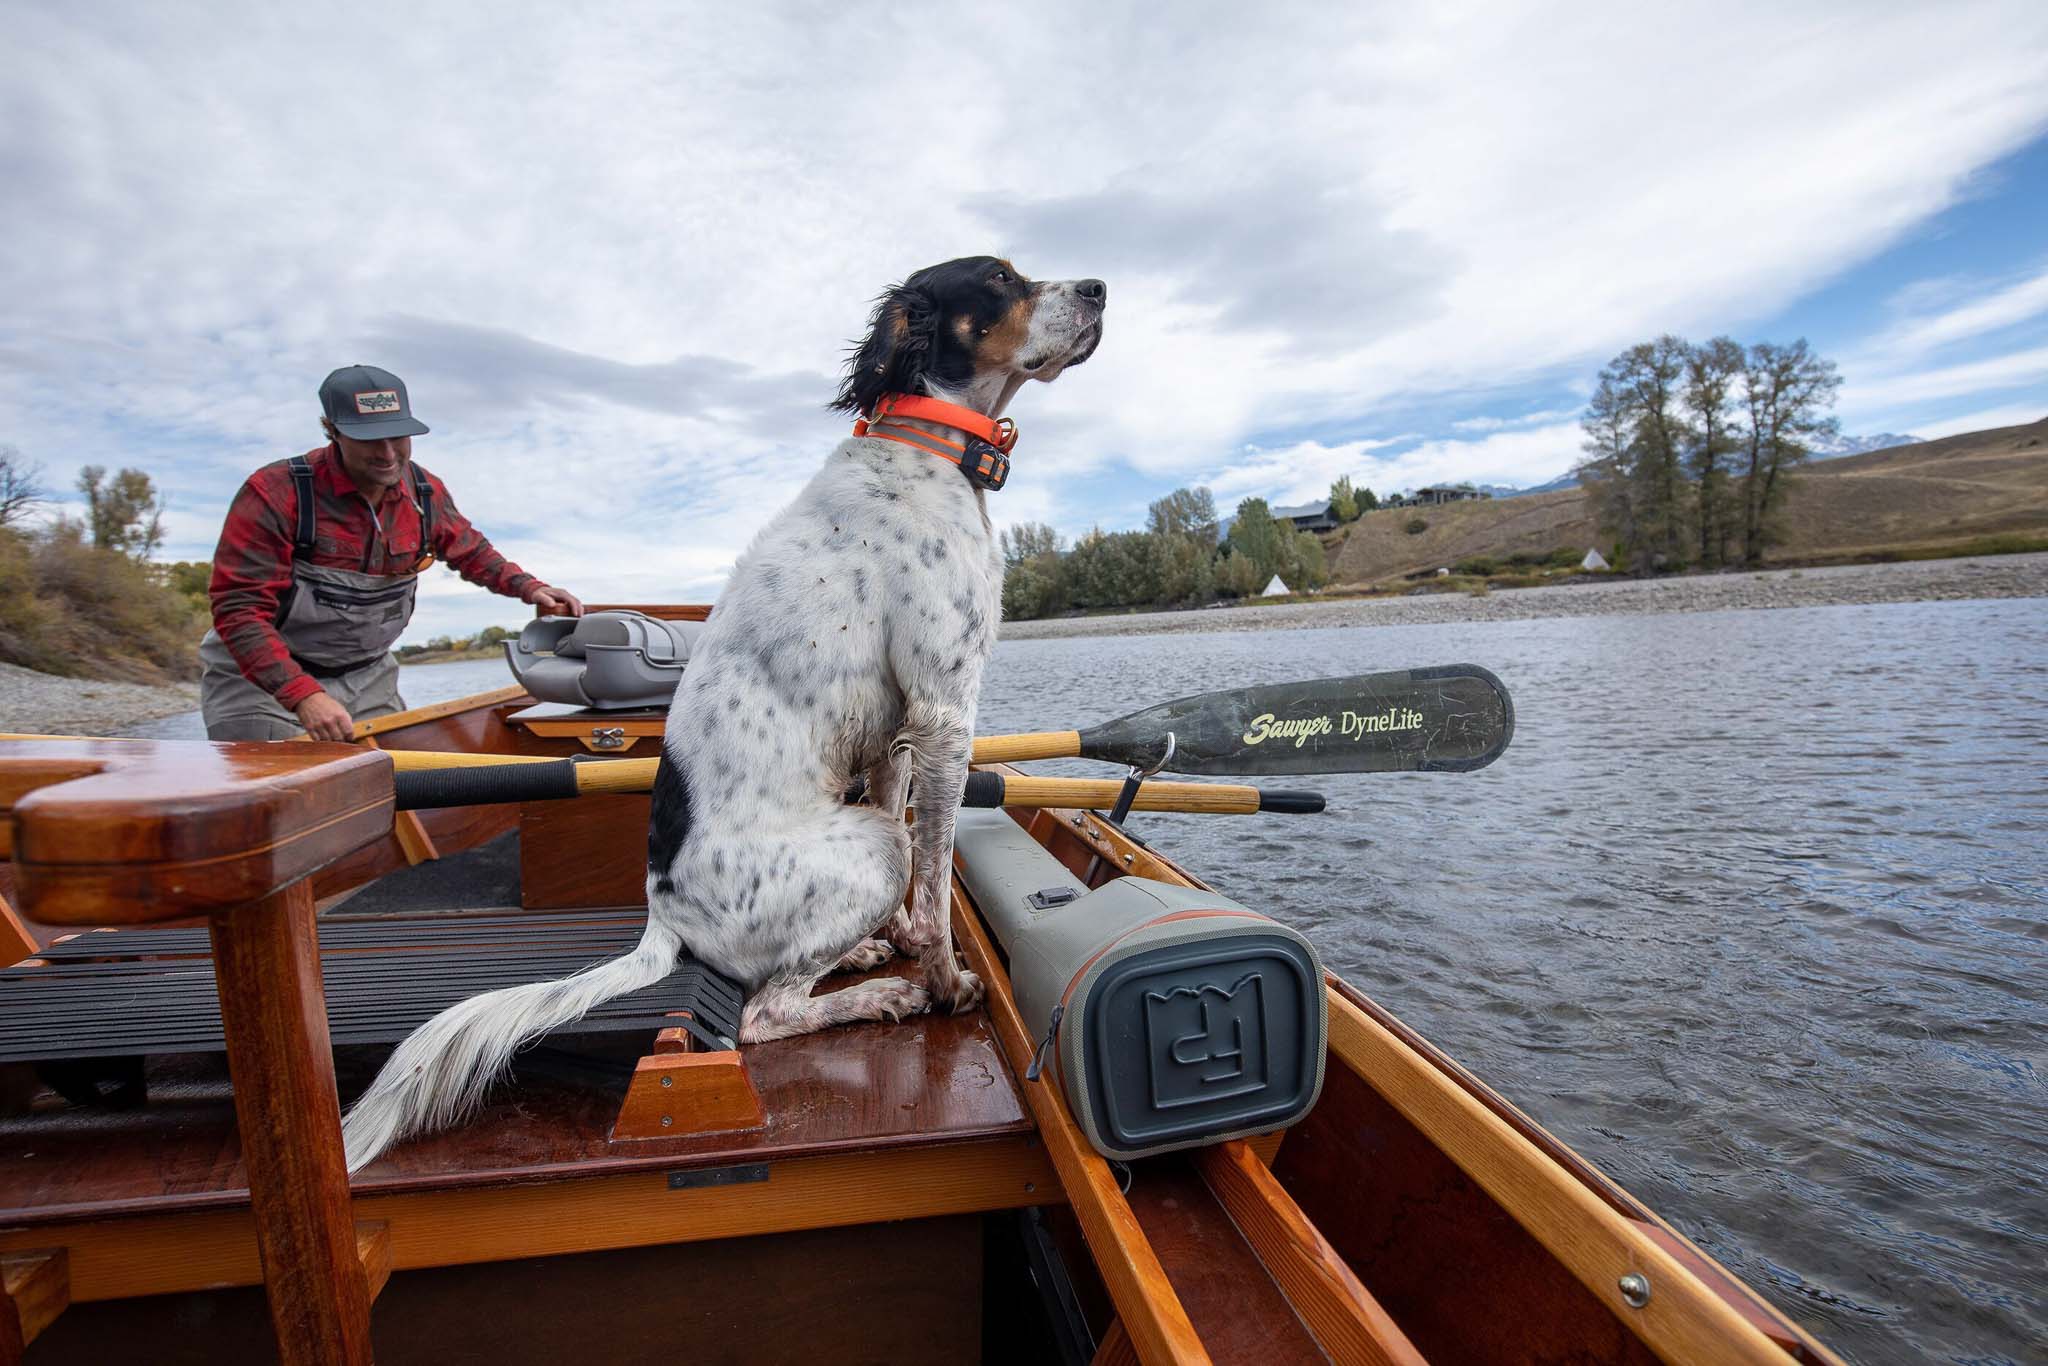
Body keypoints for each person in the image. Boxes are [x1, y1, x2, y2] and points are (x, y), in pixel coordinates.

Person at [200, 364, 584, 741]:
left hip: (369, 677)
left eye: (398, 435)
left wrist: (530, 588)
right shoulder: (274, 493)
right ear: (332, 431)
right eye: (369, 439)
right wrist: (304, 696)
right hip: (261, 682)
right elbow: (239, 612)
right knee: (284, 794)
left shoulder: (423, 489)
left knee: (392, 785)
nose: (387, 454)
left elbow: (470, 550)